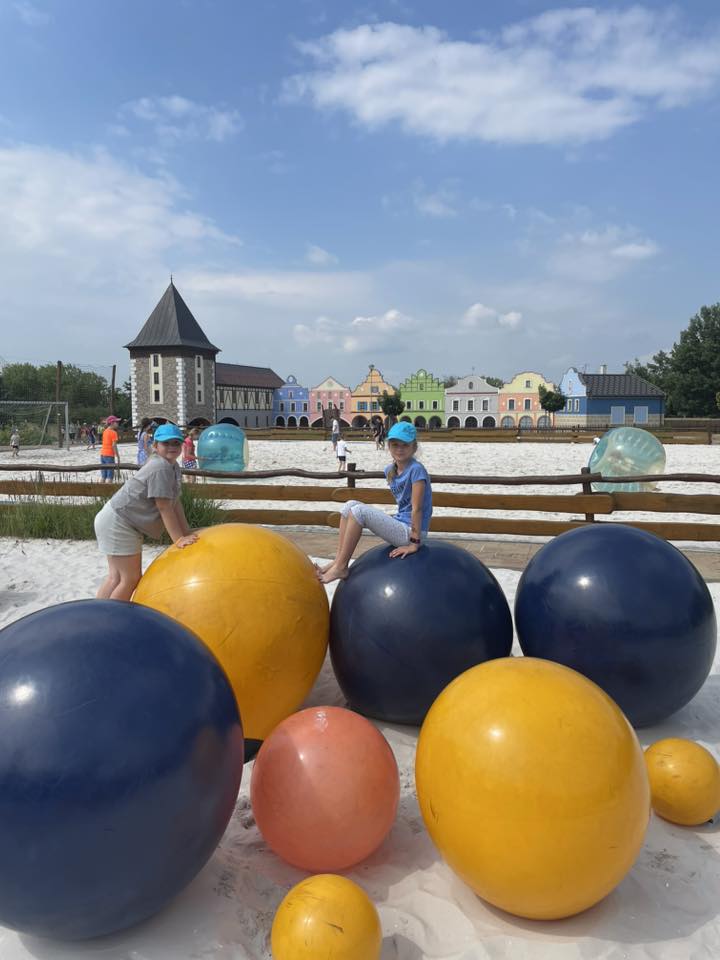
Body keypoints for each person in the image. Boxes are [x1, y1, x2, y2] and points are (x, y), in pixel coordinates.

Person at [317, 421, 432, 584]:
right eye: (395, 445)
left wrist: (414, 544)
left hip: (413, 533)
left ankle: (341, 567)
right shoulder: (390, 470)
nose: (400, 449)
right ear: (389, 446)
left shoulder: (416, 470)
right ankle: (338, 560)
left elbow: (417, 509)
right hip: (401, 523)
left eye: (405, 445)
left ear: (414, 447)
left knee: (359, 512)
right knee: (349, 505)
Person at [94, 423, 198, 601]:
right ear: (155, 445)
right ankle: (112, 615)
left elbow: (175, 502)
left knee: (116, 577)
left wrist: (186, 531)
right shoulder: (161, 467)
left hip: (116, 518)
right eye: (166, 443)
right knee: (129, 579)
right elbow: (164, 506)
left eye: (176, 443)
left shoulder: (172, 466)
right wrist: (178, 539)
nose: (172, 447)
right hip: (119, 522)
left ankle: (98, 613)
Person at [100, 416, 121, 483]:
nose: (117, 423)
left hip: (102, 454)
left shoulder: (105, 431)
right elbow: (114, 445)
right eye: (116, 422)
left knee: (103, 475)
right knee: (110, 475)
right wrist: (117, 455)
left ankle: (100, 488)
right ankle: (108, 488)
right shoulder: (114, 432)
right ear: (112, 423)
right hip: (109, 455)